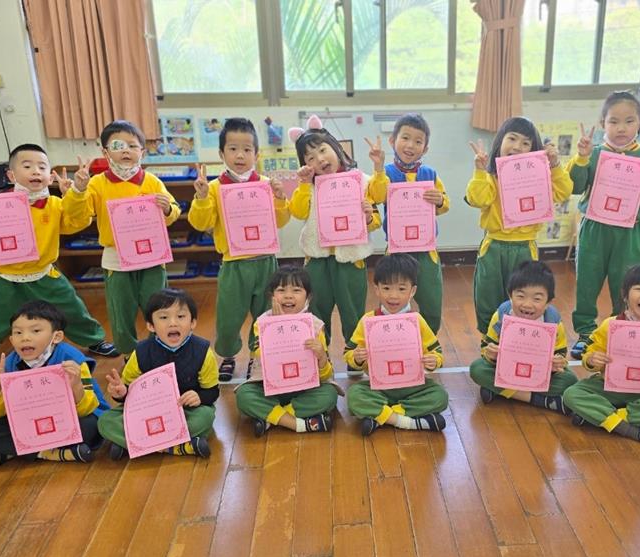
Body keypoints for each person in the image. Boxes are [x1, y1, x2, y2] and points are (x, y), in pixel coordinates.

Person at [0, 144, 118, 396]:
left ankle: (94, 340)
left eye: (42, 167)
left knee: (72, 309)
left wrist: (78, 191)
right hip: (5, 277)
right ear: (11, 175)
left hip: (44, 273)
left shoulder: (54, 204)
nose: (35, 171)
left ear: (50, 176)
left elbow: (76, 222)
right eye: (27, 166)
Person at [568, 91, 640, 359]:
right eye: (614, 121)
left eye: (629, 121)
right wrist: (581, 157)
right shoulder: (594, 154)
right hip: (595, 228)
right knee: (587, 281)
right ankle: (586, 333)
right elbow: (574, 185)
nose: (621, 128)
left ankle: (620, 331)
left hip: (630, 232)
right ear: (603, 123)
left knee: (626, 283)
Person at [62, 120, 182, 356]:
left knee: (159, 307)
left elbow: (173, 212)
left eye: (132, 145)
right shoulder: (97, 183)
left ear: (142, 152)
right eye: (118, 145)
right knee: (121, 312)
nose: (126, 151)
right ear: (105, 152)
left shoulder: (152, 181)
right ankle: (129, 355)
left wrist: (168, 209)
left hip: (152, 258)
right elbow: (79, 216)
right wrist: (77, 190)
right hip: (116, 261)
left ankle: (159, 350)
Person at [188, 118, 290, 382]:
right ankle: (228, 356)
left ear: (257, 154)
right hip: (233, 264)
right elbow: (201, 223)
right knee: (228, 318)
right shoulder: (213, 187)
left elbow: (280, 221)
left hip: (265, 261)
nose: (240, 155)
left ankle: (258, 355)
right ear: (222, 154)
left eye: (247, 149)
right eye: (233, 149)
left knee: (265, 313)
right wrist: (201, 198)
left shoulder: (266, 184)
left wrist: (280, 198)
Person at [287, 115, 380, 371]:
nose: (319, 159)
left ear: (336, 148)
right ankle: (320, 357)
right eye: (310, 158)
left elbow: (376, 219)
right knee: (317, 310)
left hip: (351, 258)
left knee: (352, 309)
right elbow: (297, 211)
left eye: (322, 150)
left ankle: (355, 356)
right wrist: (303, 184)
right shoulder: (309, 187)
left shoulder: (360, 180)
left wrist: (368, 216)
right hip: (317, 260)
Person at [466, 116, 572, 335]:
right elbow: (478, 199)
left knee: (525, 296)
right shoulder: (491, 175)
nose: (517, 147)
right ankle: (489, 341)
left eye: (526, 143)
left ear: (533, 149)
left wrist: (555, 165)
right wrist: (479, 170)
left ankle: (518, 340)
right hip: (494, 245)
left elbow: (562, 192)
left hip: (525, 246)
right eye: (512, 139)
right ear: (500, 142)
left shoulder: (539, 176)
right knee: (487, 295)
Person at [562, 264, 640, 451]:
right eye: (639, 289)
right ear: (625, 295)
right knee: (571, 394)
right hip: (607, 387)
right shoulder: (610, 325)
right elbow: (589, 353)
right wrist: (592, 360)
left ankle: (599, 417)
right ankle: (634, 431)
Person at [0, 301, 107, 467]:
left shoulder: (72, 360)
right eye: (18, 332)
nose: (25, 337)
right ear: (11, 339)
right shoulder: (9, 364)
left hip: (67, 419)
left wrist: (76, 386)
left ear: (56, 337)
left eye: (35, 331)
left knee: (91, 426)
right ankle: (54, 453)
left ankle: (14, 450)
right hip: (30, 422)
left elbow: (86, 410)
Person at [99, 289, 218, 459]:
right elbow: (128, 393)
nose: (173, 323)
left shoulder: (203, 351)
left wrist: (199, 396)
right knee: (106, 421)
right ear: (150, 326)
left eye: (181, 316)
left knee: (205, 417)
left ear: (193, 322)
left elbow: (212, 391)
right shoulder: (141, 352)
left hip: (184, 410)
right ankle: (178, 447)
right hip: (147, 412)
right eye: (163, 317)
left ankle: (135, 445)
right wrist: (121, 393)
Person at [345, 253, 447, 436]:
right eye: (386, 288)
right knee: (354, 395)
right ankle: (412, 422)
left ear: (412, 291)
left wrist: (434, 361)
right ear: (376, 289)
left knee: (440, 396)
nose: (393, 296)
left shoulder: (417, 320)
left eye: (401, 289)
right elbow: (349, 352)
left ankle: (382, 416)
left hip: (412, 386)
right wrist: (357, 358)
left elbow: (437, 352)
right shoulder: (368, 320)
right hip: (378, 387)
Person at [365, 113, 448, 333]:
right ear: (393, 141)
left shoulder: (430, 174)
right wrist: (378, 167)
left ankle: (429, 342)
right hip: (396, 250)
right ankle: (395, 340)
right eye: (405, 138)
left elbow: (444, 204)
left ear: (425, 148)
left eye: (418, 141)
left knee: (432, 300)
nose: (411, 145)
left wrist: (440, 200)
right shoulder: (386, 173)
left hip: (426, 249)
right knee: (392, 300)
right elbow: (378, 195)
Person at [236, 265, 339, 437]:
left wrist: (321, 356)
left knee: (329, 395)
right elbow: (262, 362)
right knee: (243, 396)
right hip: (270, 388)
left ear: (308, 297)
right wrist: (276, 327)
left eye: (296, 290)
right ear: (272, 296)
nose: (288, 295)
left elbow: (325, 376)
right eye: (281, 290)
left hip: (305, 389)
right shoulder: (262, 323)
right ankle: (301, 424)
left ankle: (272, 418)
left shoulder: (315, 325)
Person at [470, 261, 577, 412]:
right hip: (506, 370)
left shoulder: (553, 321)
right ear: (510, 295)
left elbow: (561, 355)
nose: (527, 304)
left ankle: (500, 391)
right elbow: (485, 349)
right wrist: (491, 355)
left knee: (569, 380)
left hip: (538, 374)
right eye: (520, 296)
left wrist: (556, 364)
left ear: (548, 302)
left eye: (537, 299)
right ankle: (543, 401)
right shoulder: (501, 315)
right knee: (477, 369)